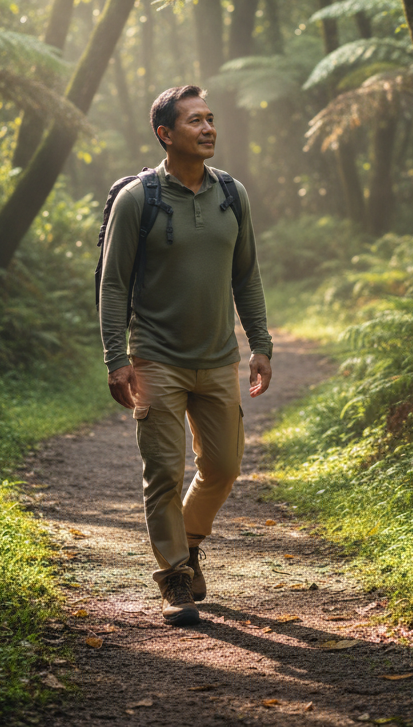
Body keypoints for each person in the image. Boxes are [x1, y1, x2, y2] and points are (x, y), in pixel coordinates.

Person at [98, 85, 273, 627]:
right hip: (156, 358)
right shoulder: (138, 199)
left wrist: (260, 344)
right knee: (164, 471)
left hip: (218, 357)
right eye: (195, 120)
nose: (208, 128)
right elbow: (113, 284)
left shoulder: (232, 194)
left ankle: (189, 541)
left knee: (223, 466)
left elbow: (247, 275)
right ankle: (174, 575)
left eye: (210, 118)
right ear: (165, 134)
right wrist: (116, 357)